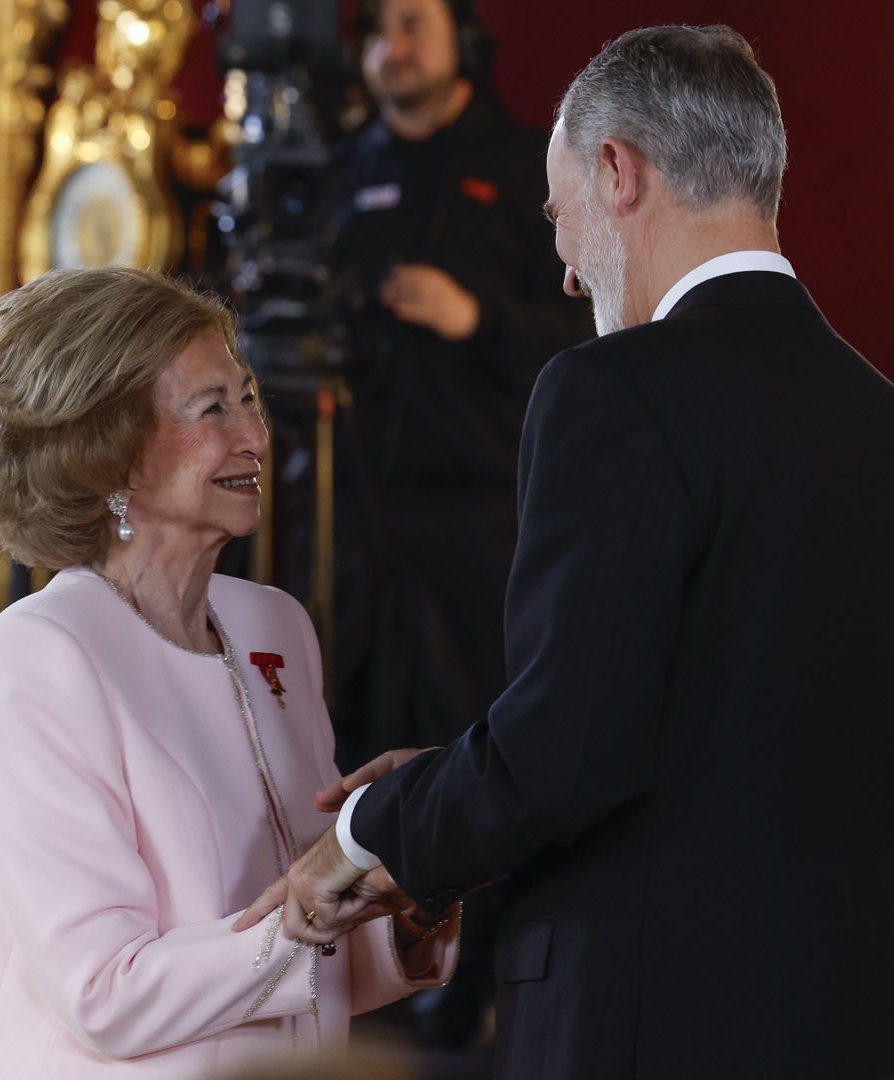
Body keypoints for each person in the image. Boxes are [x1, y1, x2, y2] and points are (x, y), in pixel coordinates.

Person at [238, 25, 894, 1079]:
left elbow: (569, 749)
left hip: (647, 1020)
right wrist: (464, 769)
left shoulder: (610, 391)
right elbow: (716, 722)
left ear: (617, 171)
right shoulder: (875, 413)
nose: (563, 261)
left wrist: (370, 829)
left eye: (557, 214)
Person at [0, 267, 458, 1079]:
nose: (252, 435)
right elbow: (103, 991)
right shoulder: (41, 653)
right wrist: (301, 922)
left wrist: (412, 881)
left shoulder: (275, 626)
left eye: (248, 397)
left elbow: (313, 967)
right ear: (105, 452)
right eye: (210, 408)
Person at [325, 0, 592, 770]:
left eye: (413, 25)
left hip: (485, 517)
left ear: (465, 41)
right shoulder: (332, 175)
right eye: (376, 30)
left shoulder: (527, 166)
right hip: (349, 512)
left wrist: (476, 318)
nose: (392, 47)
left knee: (480, 745)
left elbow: (595, 327)